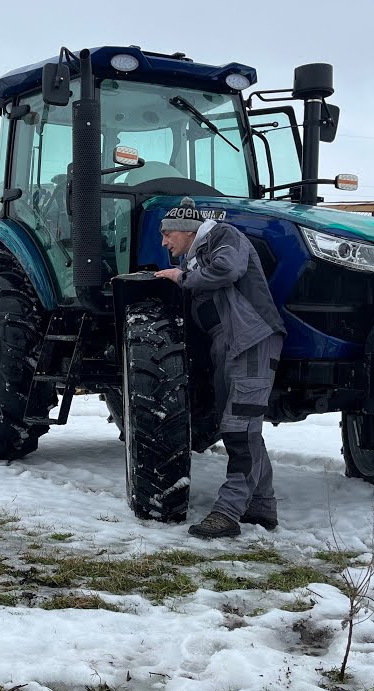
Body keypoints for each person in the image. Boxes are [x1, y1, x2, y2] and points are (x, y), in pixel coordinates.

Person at [155, 197, 287, 539]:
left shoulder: (223, 236)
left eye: (167, 235)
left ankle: (227, 513)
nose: (164, 243)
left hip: (253, 341)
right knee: (242, 427)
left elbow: (228, 270)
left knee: (239, 428)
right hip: (228, 347)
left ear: (184, 231)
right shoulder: (197, 253)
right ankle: (261, 505)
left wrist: (182, 277)